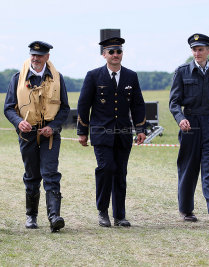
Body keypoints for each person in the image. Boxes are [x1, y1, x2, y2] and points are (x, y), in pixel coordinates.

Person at [77, 37, 147, 227]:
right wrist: (82, 131)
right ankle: (102, 212)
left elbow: (138, 104)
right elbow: (83, 105)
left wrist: (140, 129)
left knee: (120, 173)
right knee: (106, 168)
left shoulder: (131, 76)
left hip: (123, 134)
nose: (115, 55)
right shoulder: (93, 76)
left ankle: (120, 216)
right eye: (111, 52)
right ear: (104, 55)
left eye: (119, 51)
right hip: (101, 133)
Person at [4, 41, 70, 232]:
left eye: (40, 55)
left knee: (51, 174)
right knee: (32, 175)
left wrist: (54, 126)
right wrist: (18, 122)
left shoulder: (59, 79)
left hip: (50, 134)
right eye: (33, 54)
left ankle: (54, 217)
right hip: (27, 134)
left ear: (47, 57)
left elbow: (64, 108)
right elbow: (8, 108)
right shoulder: (17, 78)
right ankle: (31, 216)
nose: (35, 58)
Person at [169, 33, 209, 226]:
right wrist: (180, 119)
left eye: (201, 49)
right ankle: (186, 210)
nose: (197, 52)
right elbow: (174, 102)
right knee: (189, 167)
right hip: (190, 124)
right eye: (194, 49)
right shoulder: (182, 71)